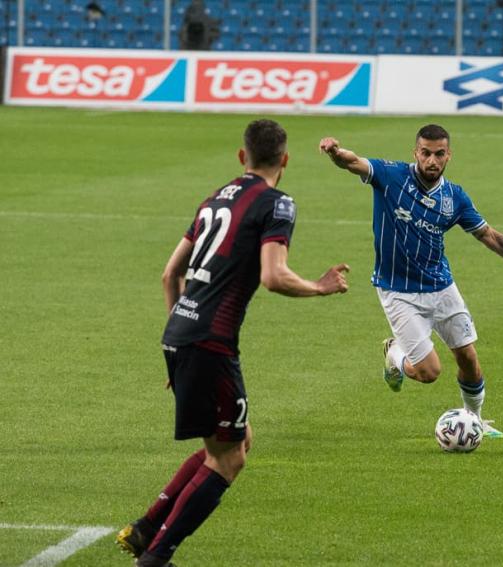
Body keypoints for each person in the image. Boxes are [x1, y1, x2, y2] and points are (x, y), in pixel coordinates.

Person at [117, 119, 349, 567]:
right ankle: (156, 557)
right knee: (229, 460)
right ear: (285, 160)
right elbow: (273, 276)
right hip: (210, 340)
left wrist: (177, 342)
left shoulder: (213, 200)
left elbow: (170, 274)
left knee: (233, 443)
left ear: (242, 157)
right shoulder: (277, 203)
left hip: (181, 333)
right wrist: (320, 287)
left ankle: (147, 529)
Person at [319, 124, 503, 439]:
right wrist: (336, 153)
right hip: (398, 291)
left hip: (441, 287)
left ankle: (475, 421)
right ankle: (395, 355)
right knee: (429, 373)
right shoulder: (390, 176)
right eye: (426, 153)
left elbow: (488, 235)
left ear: (449, 156)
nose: (432, 160)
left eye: (439, 154)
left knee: (469, 357)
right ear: (415, 153)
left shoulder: (454, 197)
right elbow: (354, 162)